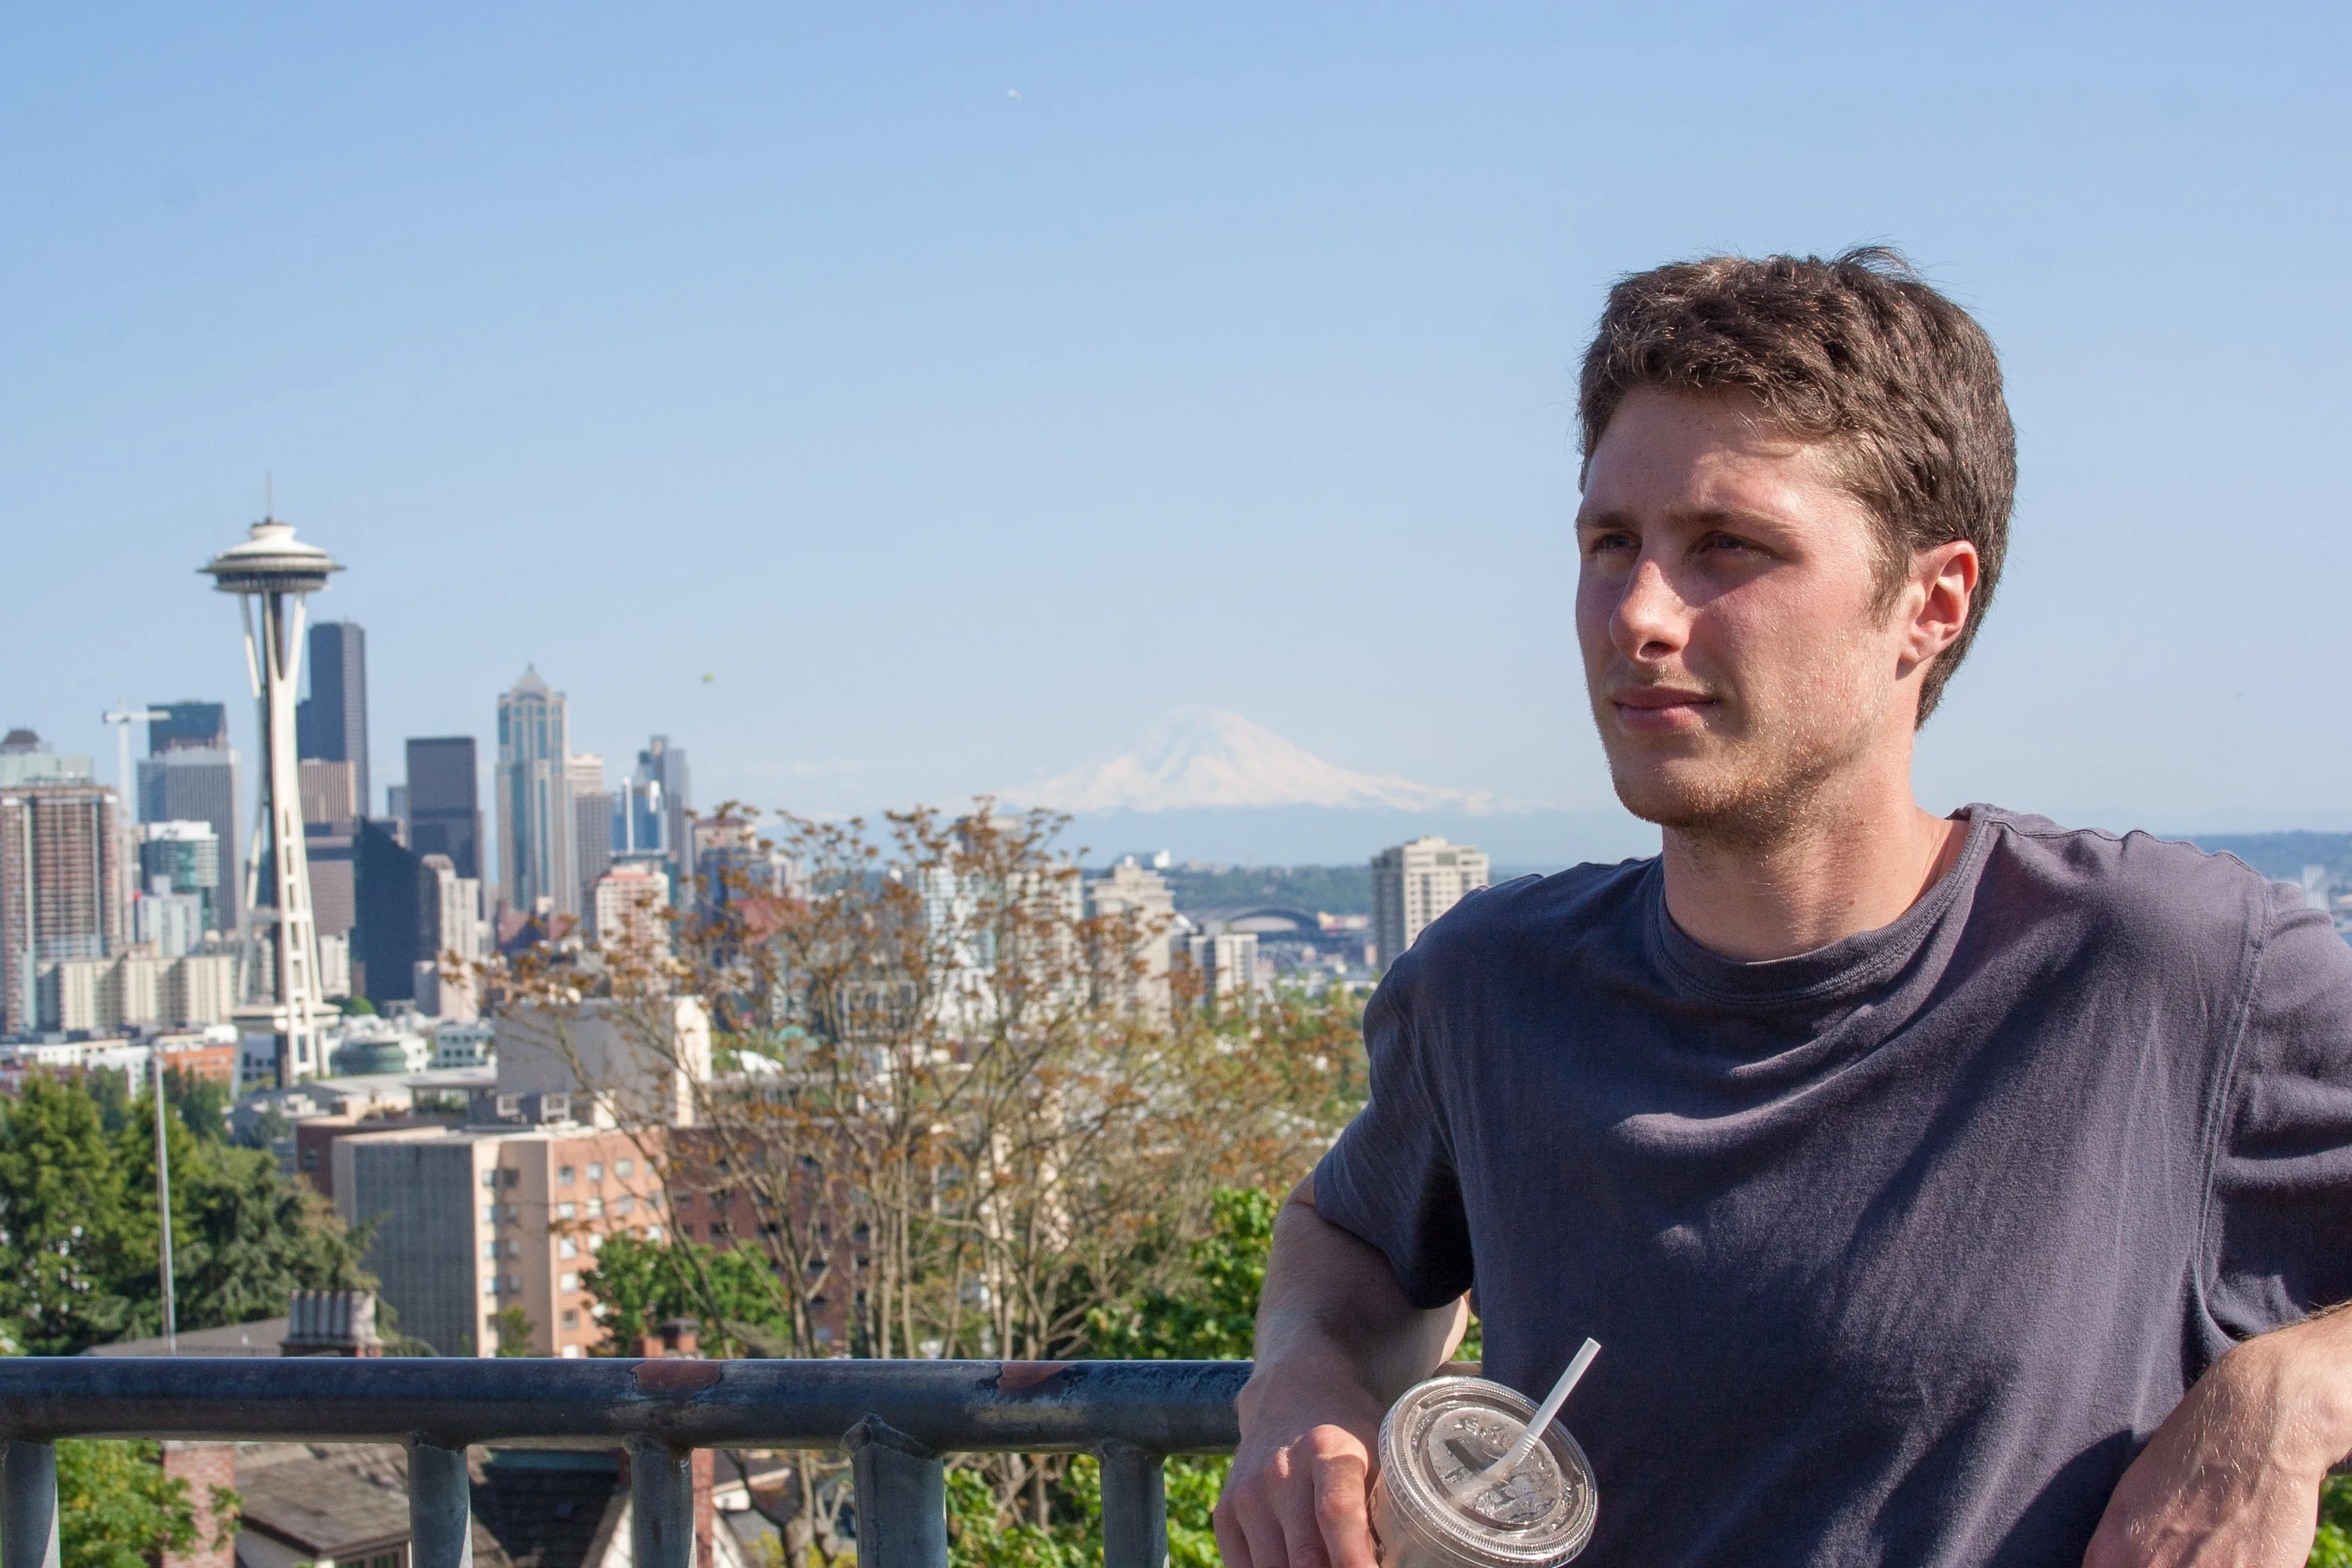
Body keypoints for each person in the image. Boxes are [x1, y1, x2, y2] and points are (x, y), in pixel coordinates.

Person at [1213, 250, 2352, 1568]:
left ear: (1928, 603)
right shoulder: (1492, 987)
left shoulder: (2167, 970)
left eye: (1726, 549)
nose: (1637, 612)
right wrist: (1301, 1380)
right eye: (1610, 543)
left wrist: (2293, 1397)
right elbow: (1351, 1239)